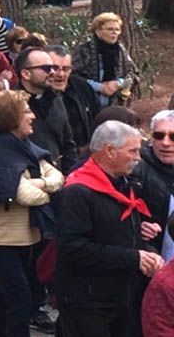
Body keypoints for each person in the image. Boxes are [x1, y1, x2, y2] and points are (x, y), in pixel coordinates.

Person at [0, 90, 63, 337]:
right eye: (26, 112)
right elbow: (24, 196)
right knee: (20, 298)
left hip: (26, 237)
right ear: (11, 118)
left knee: (5, 297)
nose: (32, 117)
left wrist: (40, 184)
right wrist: (48, 190)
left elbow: (58, 177)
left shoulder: (24, 146)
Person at [54, 120, 161, 336]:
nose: (138, 158)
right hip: (87, 302)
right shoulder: (78, 192)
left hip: (117, 296)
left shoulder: (122, 183)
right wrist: (134, 258)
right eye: (132, 151)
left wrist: (147, 251)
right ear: (110, 151)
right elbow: (74, 249)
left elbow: (115, 234)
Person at [14, 47, 77, 174]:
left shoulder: (57, 100)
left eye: (53, 67)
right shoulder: (10, 105)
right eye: (46, 68)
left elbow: (68, 144)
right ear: (26, 74)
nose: (53, 72)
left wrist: (70, 176)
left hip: (58, 177)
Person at [72, 13, 140, 107]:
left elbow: (133, 74)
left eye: (117, 29)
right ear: (98, 31)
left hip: (117, 105)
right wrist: (100, 87)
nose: (114, 32)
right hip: (88, 104)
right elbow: (73, 77)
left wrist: (118, 84)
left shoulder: (121, 50)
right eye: (110, 29)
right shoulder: (85, 49)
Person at [133, 110, 174, 260]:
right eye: (159, 135)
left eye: (173, 137)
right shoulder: (136, 168)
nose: (166, 142)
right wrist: (138, 226)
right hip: (150, 257)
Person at [46, 44, 100, 154]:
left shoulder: (82, 87)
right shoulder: (36, 94)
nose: (61, 74)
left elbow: (98, 118)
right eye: (55, 68)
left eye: (66, 69)